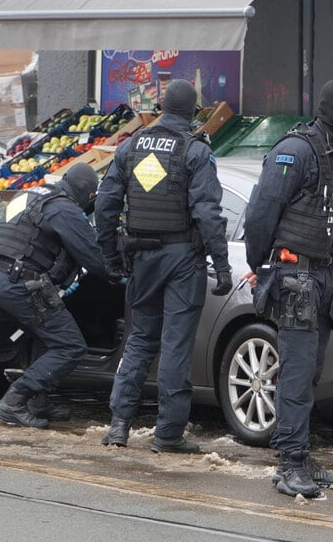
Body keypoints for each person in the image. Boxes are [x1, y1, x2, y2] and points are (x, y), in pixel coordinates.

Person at [240, 79, 333, 498]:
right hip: (296, 276)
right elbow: (262, 211)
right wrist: (257, 263)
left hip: (325, 276)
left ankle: (301, 455)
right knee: (295, 373)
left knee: (310, 373)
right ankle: (289, 463)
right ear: (327, 106)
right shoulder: (296, 150)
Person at [95, 79, 232, 454]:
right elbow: (207, 213)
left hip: (142, 257)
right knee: (175, 345)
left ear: (162, 108)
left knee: (140, 339)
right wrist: (221, 265)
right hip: (182, 259)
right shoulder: (195, 151)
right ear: (193, 112)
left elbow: (105, 205)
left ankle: (118, 425)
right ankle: (168, 433)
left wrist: (110, 256)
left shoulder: (131, 147)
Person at [0, 163, 108, 428]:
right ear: (88, 195)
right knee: (70, 346)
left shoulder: (29, 194)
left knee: (47, 336)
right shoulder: (65, 209)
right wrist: (122, 270)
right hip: (21, 284)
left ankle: (37, 402)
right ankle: (14, 401)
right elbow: (96, 260)